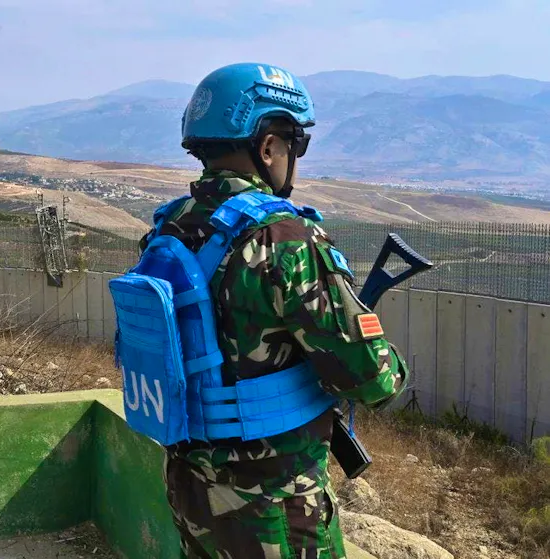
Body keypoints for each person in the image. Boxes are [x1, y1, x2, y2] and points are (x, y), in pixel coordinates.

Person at [120, 63, 410, 558]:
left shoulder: (169, 228)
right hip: (272, 501)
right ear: (269, 145)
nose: (294, 159)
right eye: (295, 145)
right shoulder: (282, 237)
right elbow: (372, 379)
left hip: (191, 484)